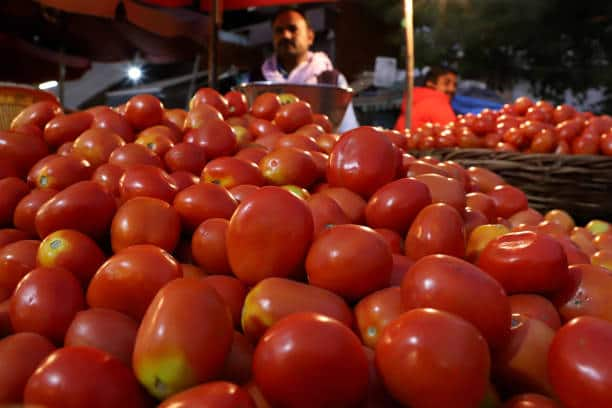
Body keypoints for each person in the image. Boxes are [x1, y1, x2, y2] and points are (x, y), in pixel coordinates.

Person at [252, 7, 359, 133]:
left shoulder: (332, 80)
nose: (285, 35)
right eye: (279, 31)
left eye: (293, 29)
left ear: (310, 36)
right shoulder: (256, 79)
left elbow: (348, 131)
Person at [394, 66, 458, 132]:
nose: (452, 89)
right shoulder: (437, 103)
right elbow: (454, 133)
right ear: (430, 83)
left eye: (455, 85)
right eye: (446, 83)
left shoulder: (416, 99)